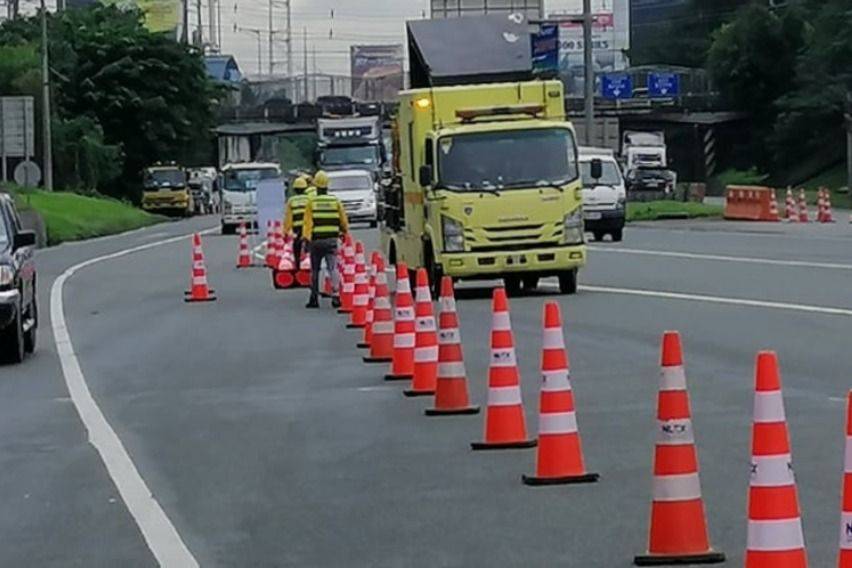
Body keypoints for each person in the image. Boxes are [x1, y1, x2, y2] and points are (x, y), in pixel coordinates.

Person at [302, 170, 349, 309]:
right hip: (331, 240)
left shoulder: (311, 202)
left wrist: (306, 240)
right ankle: (335, 295)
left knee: (315, 270)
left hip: (316, 241)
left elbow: (307, 224)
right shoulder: (335, 201)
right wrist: (344, 233)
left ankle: (314, 298)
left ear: (316, 186)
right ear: (327, 186)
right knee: (333, 268)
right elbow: (343, 220)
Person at [284, 176, 310, 261]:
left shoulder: (291, 201)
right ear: (305, 188)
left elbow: (288, 218)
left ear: (295, 189)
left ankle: (298, 264)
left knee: (296, 247)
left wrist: (286, 232)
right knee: (309, 246)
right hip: (308, 228)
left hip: (297, 229)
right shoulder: (309, 199)